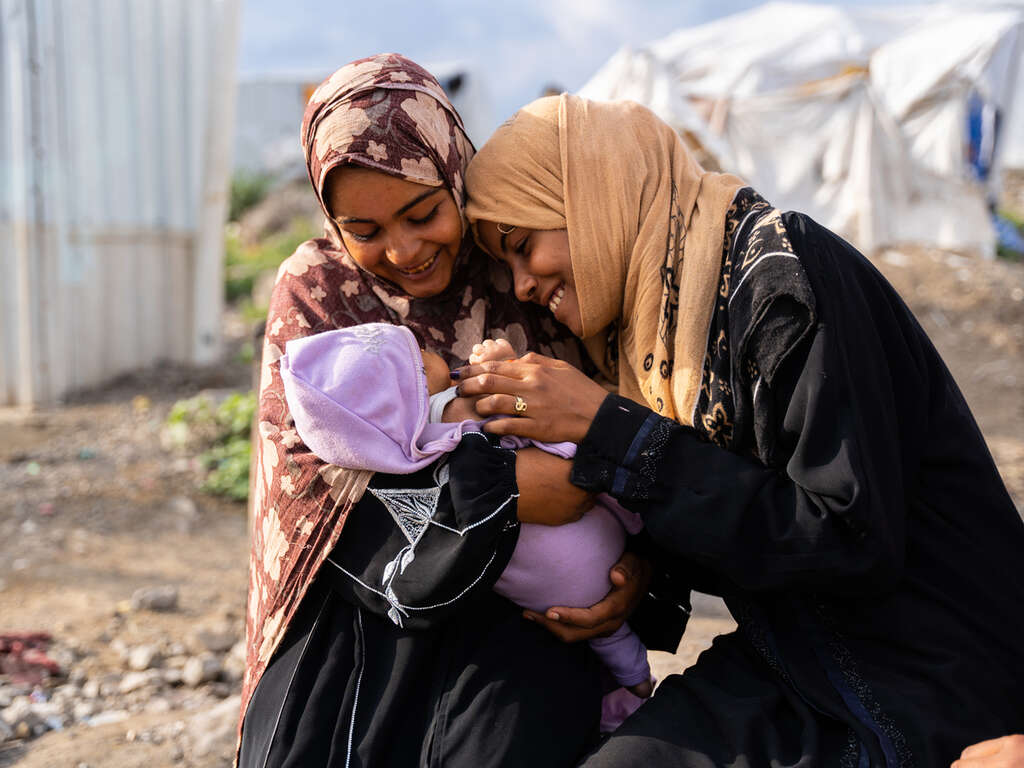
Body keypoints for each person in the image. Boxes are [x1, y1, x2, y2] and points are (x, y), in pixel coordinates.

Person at [453, 93, 1024, 766]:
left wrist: (612, 431)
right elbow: (730, 520)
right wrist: (637, 575)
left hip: (929, 670)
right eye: (505, 267)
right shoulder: (647, 337)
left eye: (523, 246)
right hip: (798, 659)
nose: (521, 285)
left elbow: (848, 540)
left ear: (594, 194)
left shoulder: (781, 278)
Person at [238, 56, 676, 768]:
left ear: (456, 174)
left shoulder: (520, 260)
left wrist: (636, 574)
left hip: (534, 620)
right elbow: (313, 493)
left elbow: (635, 423)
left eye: (424, 213)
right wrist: (505, 492)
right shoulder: (320, 295)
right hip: (369, 611)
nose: (405, 250)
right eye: (366, 230)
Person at [278, 325, 653, 706]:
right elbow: (525, 411)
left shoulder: (414, 450)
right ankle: (636, 680)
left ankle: (629, 686)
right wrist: (502, 364)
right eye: (419, 354)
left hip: (552, 593)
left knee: (607, 645)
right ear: (415, 383)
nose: (430, 351)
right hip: (599, 544)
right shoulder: (455, 405)